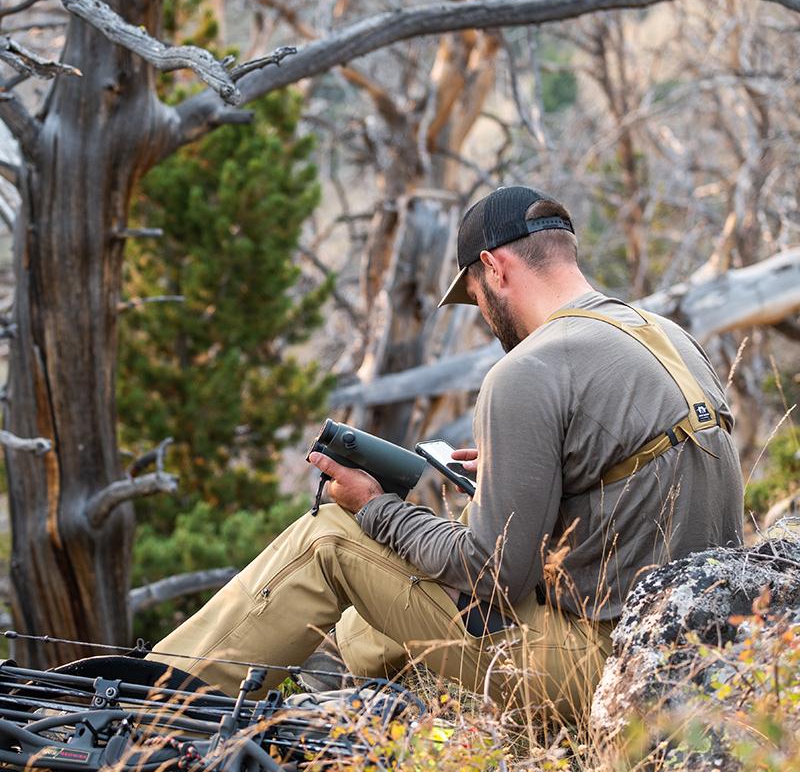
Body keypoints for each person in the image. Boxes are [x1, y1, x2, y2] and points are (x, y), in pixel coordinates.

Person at [149, 186, 743, 721]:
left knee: (328, 539)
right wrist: (529, 470)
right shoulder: (667, 337)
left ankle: (153, 711)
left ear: (493, 267)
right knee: (364, 627)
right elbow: (638, 497)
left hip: (604, 670)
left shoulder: (528, 368)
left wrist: (375, 508)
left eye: (475, 297)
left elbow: (494, 572)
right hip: (687, 656)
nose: (484, 316)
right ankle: (376, 736)